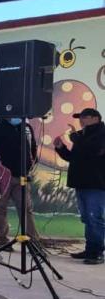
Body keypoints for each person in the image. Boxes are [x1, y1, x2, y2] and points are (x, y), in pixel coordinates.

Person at [54, 108, 105, 264]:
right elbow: (74, 157)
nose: (81, 120)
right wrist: (61, 148)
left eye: (84, 117)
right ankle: (90, 248)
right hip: (80, 183)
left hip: (96, 184)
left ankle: (96, 252)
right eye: (80, 117)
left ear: (95, 118)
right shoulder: (82, 136)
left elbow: (94, 150)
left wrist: (75, 137)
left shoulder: (101, 134)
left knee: (94, 218)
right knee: (86, 218)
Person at [0, 115, 41, 247]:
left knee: (25, 208)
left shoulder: (25, 128)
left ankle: (33, 240)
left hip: (22, 175)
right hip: (2, 176)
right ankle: (2, 240)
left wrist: (30, 162)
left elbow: (32, 147)